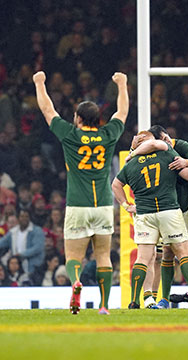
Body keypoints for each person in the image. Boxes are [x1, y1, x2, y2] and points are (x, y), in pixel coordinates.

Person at [33, 70, 128, 315]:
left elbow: (47, 111)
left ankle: (76, 281)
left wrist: (40, 83)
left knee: (74, 255)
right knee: (103, 255)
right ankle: (104, 305)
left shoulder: (71, 135)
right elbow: (122, 112)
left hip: (77, 204)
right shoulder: (108, 135)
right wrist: (122, 84)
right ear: (98, 119)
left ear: (77, 119)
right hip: (105, 205)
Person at [128, 125, 188, 308]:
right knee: (169, 252)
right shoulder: (153, 155)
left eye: (165, 138)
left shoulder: (180, 147)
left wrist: (187, 162)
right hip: (174, 209)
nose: (166, 140)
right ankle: (167, 298)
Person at [112, 131, 188, 309]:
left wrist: (126, 205)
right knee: (182, 252)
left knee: (144, 258)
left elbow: (116, 184)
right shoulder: (167, 153)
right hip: (168, 210)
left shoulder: (130, 164)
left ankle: (135, 301)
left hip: (145, 213)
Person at [0, 209, 45, 276]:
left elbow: (38, 247)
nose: (24, 218)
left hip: (33, 267)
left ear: (30, 218)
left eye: (26, 216)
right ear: (18, 218)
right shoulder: (13, 232)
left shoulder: (37, 231)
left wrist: (22, 254)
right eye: (22, 216)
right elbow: (2, 242)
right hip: (16, 266)